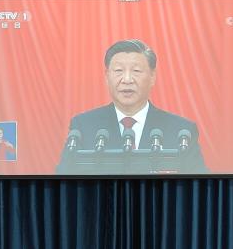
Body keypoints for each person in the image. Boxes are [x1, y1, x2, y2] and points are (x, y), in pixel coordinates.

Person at [57, 39, 207, 174]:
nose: (127, 79)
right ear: (107, 76)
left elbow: (198, 187)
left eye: (136, 71)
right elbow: (62, 184)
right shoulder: (83, 127)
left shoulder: (181, 131)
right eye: (118, 71)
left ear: (152, 77)